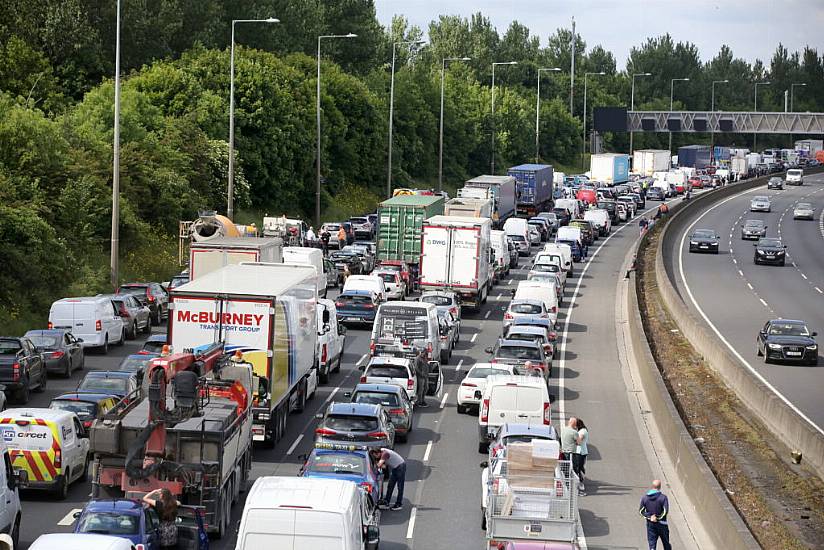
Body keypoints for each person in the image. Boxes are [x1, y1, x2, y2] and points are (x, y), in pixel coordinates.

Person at [640, 479, 672, 550]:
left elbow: (641, 512)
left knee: (652, 545)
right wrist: (657, 518)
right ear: (660, 487)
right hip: (662, 525)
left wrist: (650, 517)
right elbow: (665, 511)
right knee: (666, 544)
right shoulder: (663, 498)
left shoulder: (644, 498)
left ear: (652, 486)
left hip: (650, 525)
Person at [573, 418, 589, 494]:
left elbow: (579, 441)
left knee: (579, 467)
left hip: (581, 452)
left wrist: (574, 441)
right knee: (579, 467)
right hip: (580, 452)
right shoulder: (581, 430)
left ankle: (581, 483)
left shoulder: (582, 431)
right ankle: (580, 482)